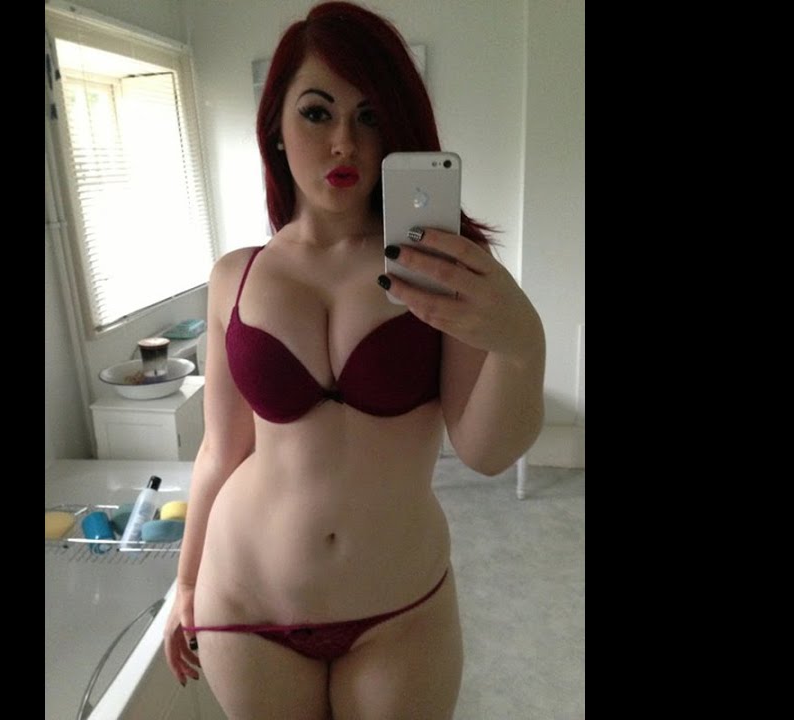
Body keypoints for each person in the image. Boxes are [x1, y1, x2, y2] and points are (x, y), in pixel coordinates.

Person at [162, 2, 545, 717]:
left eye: (370, 116)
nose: (344, 141)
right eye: (317, 113)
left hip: (398, 609)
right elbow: (221, 448)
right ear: (275, 128)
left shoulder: (441, 268)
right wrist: (185, 581)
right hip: (243, 601)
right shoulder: (234, 277)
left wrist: (522, 343)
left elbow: (486, 451)